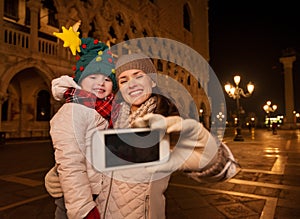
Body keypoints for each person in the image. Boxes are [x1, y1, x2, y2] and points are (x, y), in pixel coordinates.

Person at [45, 52, 239, 219]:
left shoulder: (168, 120)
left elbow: (224, 171)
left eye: (139, 76)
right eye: (124, 80)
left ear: (152, 80)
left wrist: (212, 159)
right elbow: (84, 157)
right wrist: (58, 174)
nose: (132, 84)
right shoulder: (107, 117)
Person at [48, 36, 117, 219]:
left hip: (96, 191)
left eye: (107, 79)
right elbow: (70, 161)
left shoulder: (104, 111)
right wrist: (83, 209)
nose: (100, 83)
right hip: (76, 199)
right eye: (93, 76)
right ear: (80, 80)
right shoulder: (74, 109)